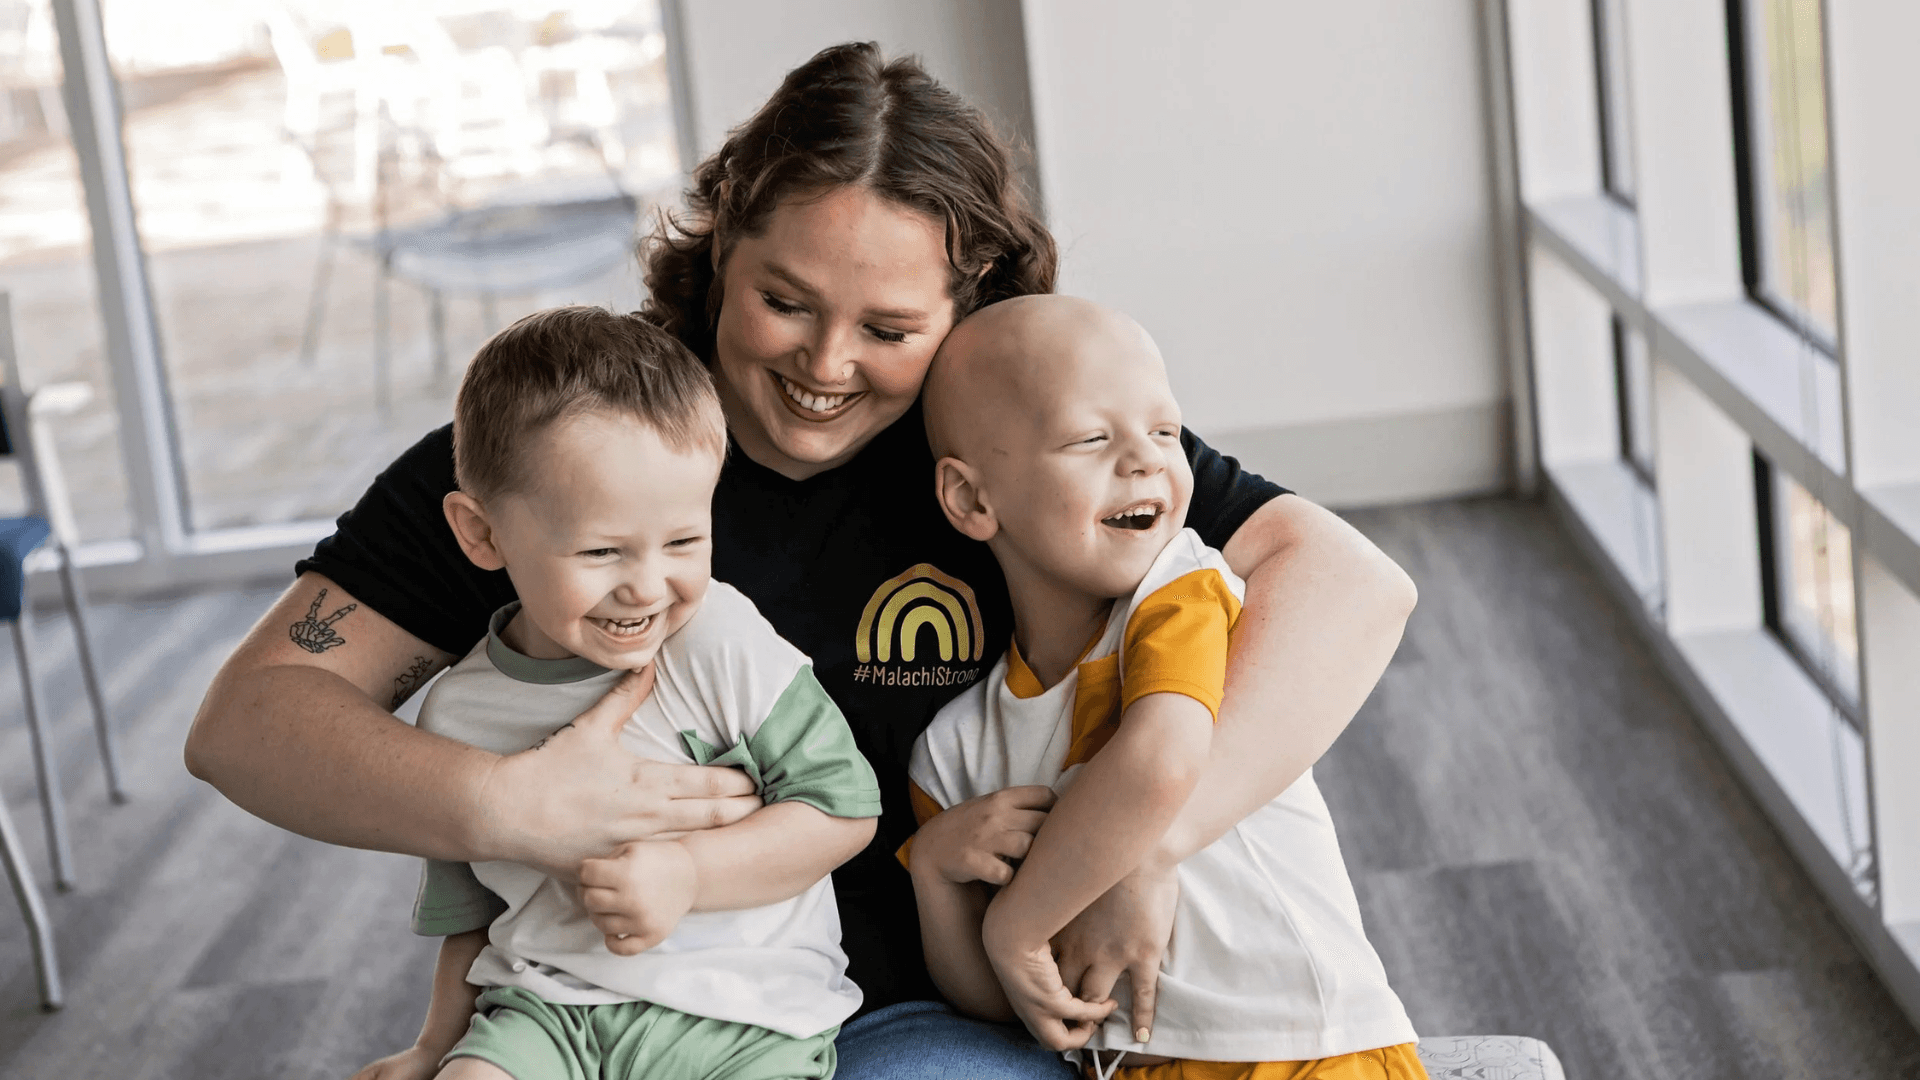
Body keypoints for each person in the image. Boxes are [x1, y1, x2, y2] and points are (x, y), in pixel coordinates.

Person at [185, 43, 1416, 1080]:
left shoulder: (996, 438)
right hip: (590, 1006)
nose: (827, 364)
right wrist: (506, 807)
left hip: (918, 1006)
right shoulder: (569, 450)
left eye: (888, 329)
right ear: (720, 243)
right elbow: (250, 720)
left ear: (966, 305)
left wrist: (1144, 842)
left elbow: (1349, 579)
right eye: (785, 300)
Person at [353, 308, 880, 1080]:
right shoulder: (457, 713)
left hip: (744, 1021)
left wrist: (689, 875)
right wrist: (436, 1048)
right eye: (602, 550)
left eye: (682, 541)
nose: (646, 585)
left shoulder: (719, 641)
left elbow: (842, 811)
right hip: (545, 1014)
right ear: (482, 534)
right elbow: (471, 916)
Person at [906, 296, 1421, 1080]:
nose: (1147, 460)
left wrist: (1015, 924)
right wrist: (939, 877)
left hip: (1308, 1052)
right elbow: (1006, 999)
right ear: (973, 499)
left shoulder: (1180, 594)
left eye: (1166, 432)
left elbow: (1161, 760)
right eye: (1091, 438)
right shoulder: (952, 749)